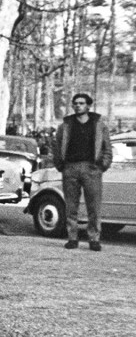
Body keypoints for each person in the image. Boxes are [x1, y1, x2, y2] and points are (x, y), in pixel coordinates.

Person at [51, 93, 113, 251]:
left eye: (81, 103)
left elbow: (107, 147)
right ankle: (72, 238)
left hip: (91, 169)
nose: (78, 106)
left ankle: (94, 239)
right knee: (71, 206)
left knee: (94, 206)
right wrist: (61, 165)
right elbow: (57, 146)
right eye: (75, 103)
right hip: (70, 168)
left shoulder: (98, 124)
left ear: (88, 106)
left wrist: (102, 166)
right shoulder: (66, 125)